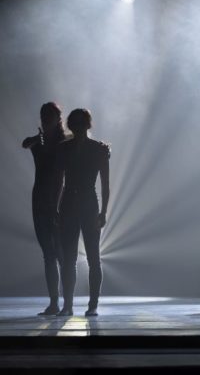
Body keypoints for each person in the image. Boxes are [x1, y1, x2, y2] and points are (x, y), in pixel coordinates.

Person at [55, 108, 110, 317]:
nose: (78, 127)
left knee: (93, 257)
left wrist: (103, 211)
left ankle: (93, 304)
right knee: (68, 258)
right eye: (74, 123)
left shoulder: (99, 149)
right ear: (71, 125)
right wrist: (57, 208)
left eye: (81, 122)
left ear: (88, 125)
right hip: (70, 202)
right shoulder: (64, 149)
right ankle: (67, 305)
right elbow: (59, 182)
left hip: (88, 203)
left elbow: (105, 184)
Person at [21, 102, 68, 315]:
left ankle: (65, 303)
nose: (45, 120)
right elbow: (25, 143)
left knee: (61, 254)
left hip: (58, 200)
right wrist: (35, 141)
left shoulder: (65, 142)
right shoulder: (36, 141)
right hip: (40, 200)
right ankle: (54, 302)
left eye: (49, 116)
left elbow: (84, 146)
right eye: (43, 116)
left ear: (58, 119)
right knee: (48, 254)